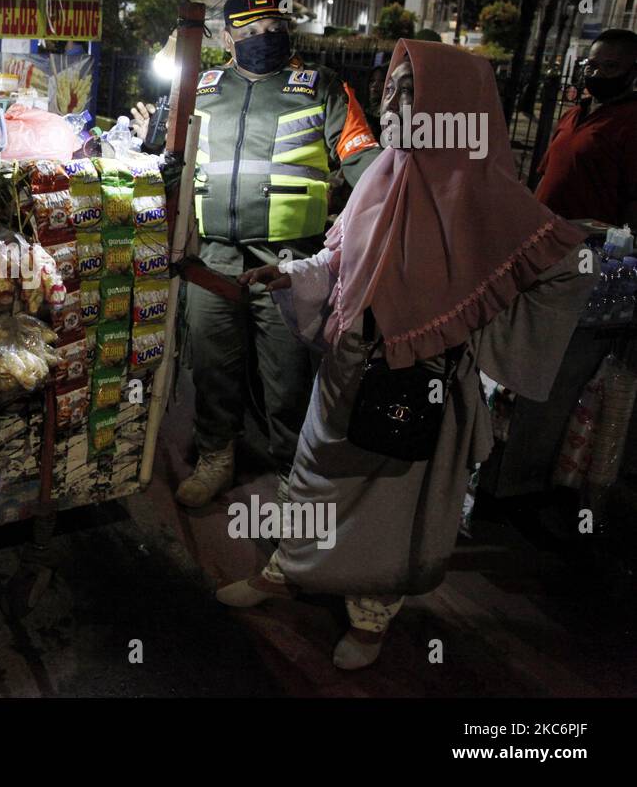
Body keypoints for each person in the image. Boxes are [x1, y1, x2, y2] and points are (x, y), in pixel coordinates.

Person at [217, 40, 593, 669]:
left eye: (408, 94)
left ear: (454, 106)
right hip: (347, 362)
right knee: (315, 474)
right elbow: (339, 259)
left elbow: (570, 268)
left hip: (424, 380)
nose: (391, 105)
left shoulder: (487, 194)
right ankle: (290, 570)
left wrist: (473, 328)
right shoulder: (384, 175)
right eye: (391, 91)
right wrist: (292, 275)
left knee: (392, 502)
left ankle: (371, 614)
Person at [136, 0, 382, 508]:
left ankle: (296, 474)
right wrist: (153, 147)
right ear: (227, 39)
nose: (262, 39)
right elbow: (164, 160)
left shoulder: (322, 88)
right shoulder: (198, 89)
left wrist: (399, 204)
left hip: (290, 265)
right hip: (210, 259)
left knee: (288, 380)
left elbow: (367, 166)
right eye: (248, 33)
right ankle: (215, 458)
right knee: (212, 368)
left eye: (271, 29)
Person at [534, 28, 637, 226]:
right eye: (592, 66)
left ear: (633, 72)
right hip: (542, 234)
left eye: (610, 66)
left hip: (585, 245)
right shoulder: (572, 114)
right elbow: (547, 175)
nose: (597, 73)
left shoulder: (631, 121)